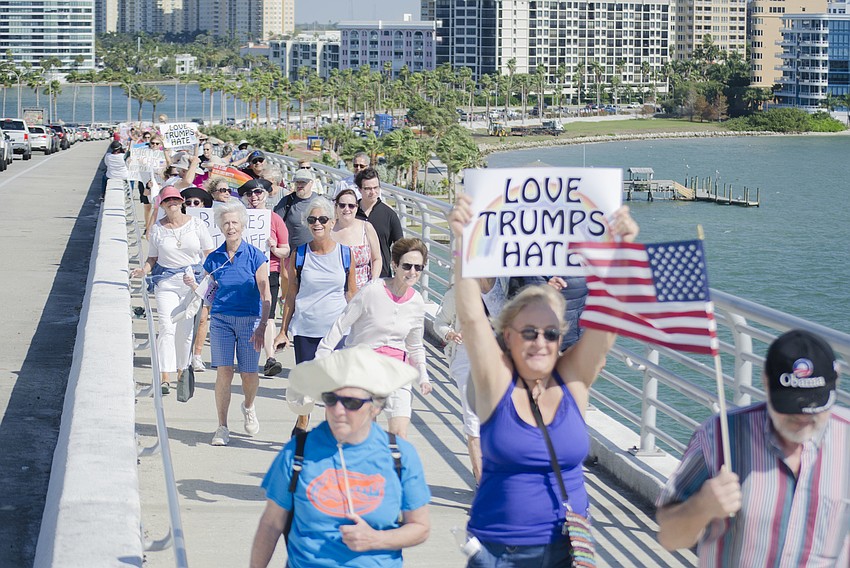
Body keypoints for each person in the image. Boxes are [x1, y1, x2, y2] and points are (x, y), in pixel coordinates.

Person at [447, 194, 639, 565]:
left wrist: (623, 249)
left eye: (551, 333)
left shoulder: (573, 380)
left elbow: (607, 323)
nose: (540, 341)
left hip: (567, 549)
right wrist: (461, 242)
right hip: (501, 550)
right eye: (529, 331)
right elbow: (471, 317)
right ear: (508, 336)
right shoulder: (496, 382)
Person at [656, 329, 849, 565]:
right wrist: (702, 507)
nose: (802, 415)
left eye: (815, 403)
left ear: (836, 383)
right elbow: (669, 538)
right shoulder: (719, 434)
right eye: (790, 403)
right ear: (766, 382)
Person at [249, 346, 431, 568]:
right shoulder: (298, 451)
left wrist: (376, 539)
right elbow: (271, 524)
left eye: (351, 403)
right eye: (331, 399)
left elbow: (420, 527)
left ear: (376, 407)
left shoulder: (400, 455)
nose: (338, 410)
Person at [315, 238, 432, 439]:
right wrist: (323, 354)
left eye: (418, 268)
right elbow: (341, 324)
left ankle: (391, 470)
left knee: (399, 434)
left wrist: (423, 375)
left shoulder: (417, 302)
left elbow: (415, 345)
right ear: (394, 265)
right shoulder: (372, 291)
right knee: (365, 434)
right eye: (407, 266)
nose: (412, 272)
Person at [276, 197, 358, 434]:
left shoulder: (345, 254)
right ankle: (302, 424)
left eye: (323, 219)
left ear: (332, 222)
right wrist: (283, 331)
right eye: (312, 220)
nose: (317, 224)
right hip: (306, 328)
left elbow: (351, 294)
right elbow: (291, 294)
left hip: (337, 329)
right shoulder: (299, 254)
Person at [198, 200, 272, 446]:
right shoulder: (214, 258)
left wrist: (262, 325)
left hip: (250, 320)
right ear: (220, 227)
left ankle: (249, 406)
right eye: (226, 223)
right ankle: (222, 426)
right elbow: (207, 292)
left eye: (234, 222)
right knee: (224, 372)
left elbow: (266, 294)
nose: (230, 227)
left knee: (249, 374)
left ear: (242, 225)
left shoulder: (255, 256)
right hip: (221, 320)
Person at [131, 186, 214, 394]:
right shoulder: (157, 229)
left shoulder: (197, 224)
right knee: (167, 327)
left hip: (191, 283)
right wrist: (143, 270)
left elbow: (209, 253)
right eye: (168, 200)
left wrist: (207, 276)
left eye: (176, 200)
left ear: (181, 202)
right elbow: (153, 258)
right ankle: (164, 375)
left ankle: (181, 371)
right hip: (166, 281)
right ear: (162, 204)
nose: (173, 203)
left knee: (185, 332)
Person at [433, 277, 508, 483]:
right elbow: (439, 323)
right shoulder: (457, 292)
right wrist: (451, 334)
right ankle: (480, 481)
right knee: (473, 420)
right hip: (466, 360)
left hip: (496, 360)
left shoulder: (499, 289)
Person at [238, 178, 290, 377]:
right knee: (246, 315)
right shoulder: (240, 217)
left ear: (267, 195)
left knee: (267, 315)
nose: (254, 197)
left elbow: (286, 249)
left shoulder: (274, 219)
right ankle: (247, 357)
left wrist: (275, 248)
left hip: (270, 270)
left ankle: (270, 357)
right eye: (250, 194)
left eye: (258, 193)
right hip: (244, 272)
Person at [508, 275, 588, 352]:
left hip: (573, 341)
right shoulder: (522, 265)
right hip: (531, 343)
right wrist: (544, 291)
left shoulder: (585, 265)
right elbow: (514, 300)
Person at [181, 186, 213, 371]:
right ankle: (182, 353)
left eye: (196, 203)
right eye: (189, 203)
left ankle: (197, 355)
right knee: (183, 315)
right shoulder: (181, 223)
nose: (192, 205)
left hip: (205, 273)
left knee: (202, 317)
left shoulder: (210, 222)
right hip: (184, 273)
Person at [355, 167, 403, 278]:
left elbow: (400, 246)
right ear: (359, 189)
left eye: (376, 187)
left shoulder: (389, 214)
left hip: (383, 275)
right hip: (355, 275)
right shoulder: (351, 212)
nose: (373, 192)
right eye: (368, 188)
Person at [331, 189, 381, 289]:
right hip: (335, 290)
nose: (346, 209)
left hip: (363, 290)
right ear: (336, 207)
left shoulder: (366, 227)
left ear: (356, 208)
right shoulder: (329, 229)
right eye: (342, 205)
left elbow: (377, 259)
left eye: (351, 205)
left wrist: (373, 282)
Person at [274, 169, 317, 253]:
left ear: (311, 183)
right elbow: (276, 225)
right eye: (297, 182)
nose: (300, 185)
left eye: (303, 182)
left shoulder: (319, 201)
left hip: (314, 253)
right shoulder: (287, 201)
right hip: (292, 254)